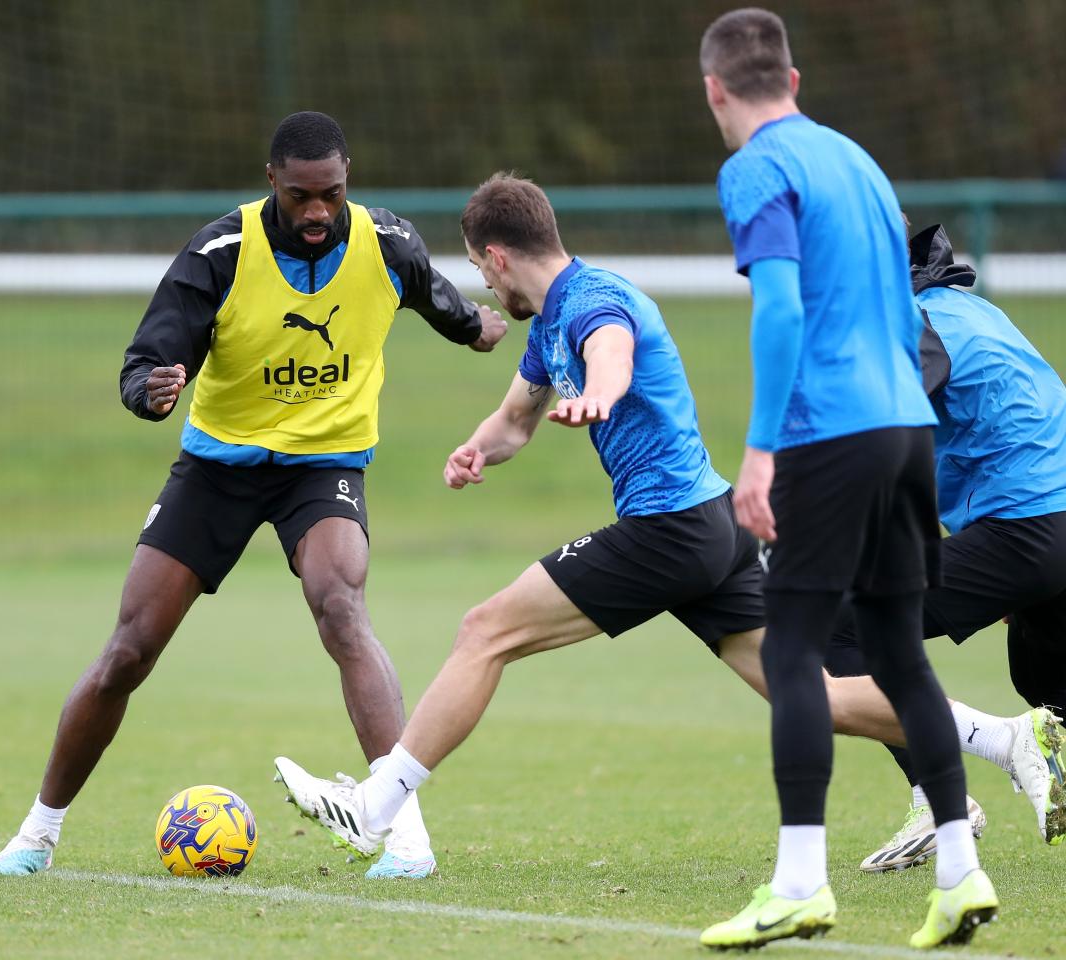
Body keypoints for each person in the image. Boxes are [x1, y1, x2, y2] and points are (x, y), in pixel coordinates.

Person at [269, 175, 1058, 902]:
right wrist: (479, 449)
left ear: (499, 255)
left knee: (485, 632)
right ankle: (1008, 739)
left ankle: (378, 804)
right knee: (810, 693)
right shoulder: (548, 326)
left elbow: (611, 355)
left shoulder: (592, 300)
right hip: (707, 530)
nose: (484, 283)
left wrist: (602, 396)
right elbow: (515, 418)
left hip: (668, 528)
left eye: (481, 268)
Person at [0, 111, 507, 882]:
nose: (318, 211)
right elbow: (149, 357)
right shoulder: (220, 252)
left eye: (331, 192)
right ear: (272, 183)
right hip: (217, 471)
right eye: (301, 196)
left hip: (324, 463)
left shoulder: (386, 242)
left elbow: (439, 300)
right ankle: (37, 834)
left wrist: (478, 329)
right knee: (128, 651)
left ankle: (405, 837)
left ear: (347, 178)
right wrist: (150, 391)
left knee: (341, 605)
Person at [696, 9, 1002, 950]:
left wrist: (758, 451)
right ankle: (960, 872)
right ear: (795, 79)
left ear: (715, 91)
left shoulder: (754, 167)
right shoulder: (856, 160)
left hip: (831, 434)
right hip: (909, 428)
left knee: (792, 651)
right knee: (900, 652)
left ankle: (797, 883)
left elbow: (781, 308)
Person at [827, 222, 1066, 873]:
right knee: (1046, 686)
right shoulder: (966, 308)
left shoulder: (906, 320)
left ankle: (942, 800)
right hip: (1042, 526)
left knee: (839, 625)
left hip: (1028, 529)